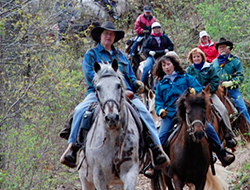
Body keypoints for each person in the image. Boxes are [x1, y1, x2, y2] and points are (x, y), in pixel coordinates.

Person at [60, 21, 169, 170]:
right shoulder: (91, 54)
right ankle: (73, 148)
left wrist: (137, 85)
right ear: (100, 36)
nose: (109, 37)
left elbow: (130, 76)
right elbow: (90, 76)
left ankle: (156, 150)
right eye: (106, 34)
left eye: (111, 34)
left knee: (145, 114)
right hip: (98, 93)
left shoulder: (121, 56)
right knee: (80, 111)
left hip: (125, 94)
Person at [153, 54, 235, 167]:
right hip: (170, 114)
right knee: (161, 137)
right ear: (161, 68)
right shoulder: (160, 85)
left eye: (168, 64)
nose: (167, 67)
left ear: (173, 65)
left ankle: (222, 153)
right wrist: (160, 110)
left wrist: (193, 91)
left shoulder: (185, 77)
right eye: (164, 65)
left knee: (208, 128)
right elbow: (158, 102)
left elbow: (198, 88)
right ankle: (155, 164)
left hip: (188, 112)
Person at [186, 48, 237, 148]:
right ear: (191, 59)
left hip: (209, 93)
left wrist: (209, 90)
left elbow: (215, 80)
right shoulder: (189, 70)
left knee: (223, 110)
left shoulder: (209, 67)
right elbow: (186, 83)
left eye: (198, 56)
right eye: (194, 57)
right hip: (195, 97)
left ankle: (228, 134)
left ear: (202, 57)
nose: (196, 58)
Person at [211, 37, 250, 129]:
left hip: (232, 90)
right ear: (217, 50)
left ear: (229, 48)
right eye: (220, 47)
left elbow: (240, 76)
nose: (222, 48)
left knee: (242, 109)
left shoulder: (235, 61)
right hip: (217, 91)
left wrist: (231, 82)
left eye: (224, 47)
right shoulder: (213, 63)